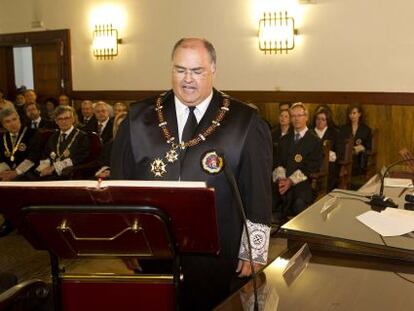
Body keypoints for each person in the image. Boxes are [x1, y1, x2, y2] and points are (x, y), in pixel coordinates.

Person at [111, 38, 272, 310]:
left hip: (219, 254)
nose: (187, 80)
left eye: (197, 71)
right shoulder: (138, 118)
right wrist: (127, 241)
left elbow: (257, 190)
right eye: (180, 70)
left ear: (213, 70)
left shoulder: (244, 121)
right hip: (154, 250)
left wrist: (254, 249)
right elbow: (120, 183)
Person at [273, 102, 323, 223]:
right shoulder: (284, 139)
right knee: (268, 194)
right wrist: (281, 179)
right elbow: (278, 162)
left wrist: (290, 181)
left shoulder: (314, 141)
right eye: (293, 116)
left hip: (303, 182)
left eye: (299, 115)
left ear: (306, 117)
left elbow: (312, 168)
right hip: (283, 179)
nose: (296, 119)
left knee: (298, 203)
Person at [35, 106, 90, 179]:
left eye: (66, 118)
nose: (63, 121)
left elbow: (80, 158)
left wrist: (55, 167)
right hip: (49, 173)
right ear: (56, 121)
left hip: (68, 174)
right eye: (60, 119)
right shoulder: (53, 136)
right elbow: (46, 154)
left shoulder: (82, 136)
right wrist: (43, 168)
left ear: (73, 119)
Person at [311, 106, 340, 190]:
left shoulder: (334, 133)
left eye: (323, 119)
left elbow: (339, 152)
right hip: (312, 166)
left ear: (327, 121)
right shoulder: (309, 132)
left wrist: (332, 155)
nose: (320, 121)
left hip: (329, 168)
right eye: (318, 119)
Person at [339, 103, 372, 175]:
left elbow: (369, 147)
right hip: (345, 156)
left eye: (354, 113)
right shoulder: (343, 128)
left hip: (359, 159)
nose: (352, 116)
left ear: (359, 114)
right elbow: (340, 144)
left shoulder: (366, 129)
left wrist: (362, 148)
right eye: (350, 113)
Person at [95, 111, 127, 179]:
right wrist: (106, 170)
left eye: (124, 126)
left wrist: (113, 172)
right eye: (118, 126)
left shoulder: (137, 145)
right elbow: (104, 162)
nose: (121, 129)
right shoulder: (109, 145)